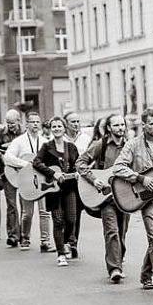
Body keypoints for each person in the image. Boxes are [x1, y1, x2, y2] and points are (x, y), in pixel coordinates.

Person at [113, 108, 153, 292]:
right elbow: (118, 168)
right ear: (144, 125)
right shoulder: (132, 145)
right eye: (152, 123)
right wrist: (141, 179)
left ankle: (146, 273)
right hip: (145, 200)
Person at [76, 113, 131, 283]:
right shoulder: (101, 144)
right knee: (111, 231)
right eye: (116, 125)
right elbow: (80, 162)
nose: (120, 128)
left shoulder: (131, 145)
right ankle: (114, 268)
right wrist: (94, 180)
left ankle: (118, 258)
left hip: (127, 196)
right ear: (108, 128)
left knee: (122, 233)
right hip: (106, 197)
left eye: (122, 125)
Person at [32, 116, 80, 267]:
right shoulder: (47, 147)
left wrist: (77, 172)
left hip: (69, 188)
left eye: (59, 126)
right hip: (52, 189)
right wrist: (53, 174)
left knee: (72, 219)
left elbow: (77, 164)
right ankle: (61, 254)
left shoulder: (71, 147)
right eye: (54, 127)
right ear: (51, 129)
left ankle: (66, 242)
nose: (57, 129)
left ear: (64, 128)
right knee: (58, 220)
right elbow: (36, 162)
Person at [3, 112, 53, 250]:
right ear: (26, 124)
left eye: (37, 122)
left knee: (44, 212)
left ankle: (45, 241)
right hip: (26, 180)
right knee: (27, 213)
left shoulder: (45, 142)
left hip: (41, 181)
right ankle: (25, 238)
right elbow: (7, 158)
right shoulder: (19, 141)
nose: (35, 124)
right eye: (32, 122)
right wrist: (25, 164)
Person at [0, 109, 24, 247]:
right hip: (7, 171)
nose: (10, 126)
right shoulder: (0, 133)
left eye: (12, 123)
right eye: (8, 123)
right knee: (11, 205)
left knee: (24, 205)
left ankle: (24, 234)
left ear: (19, 121)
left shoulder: (24, 133)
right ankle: (13, 235)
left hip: (22, 171)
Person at [63, 111, 90, 259]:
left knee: (76, 213)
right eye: (73, 121)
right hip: (66, 181)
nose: (76, 124)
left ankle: (72, 243)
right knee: (67, 214)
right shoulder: (62, 139)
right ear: (66, 124)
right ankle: (66, 241)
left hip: (82, 181)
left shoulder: (86, 139)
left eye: (78, 121)